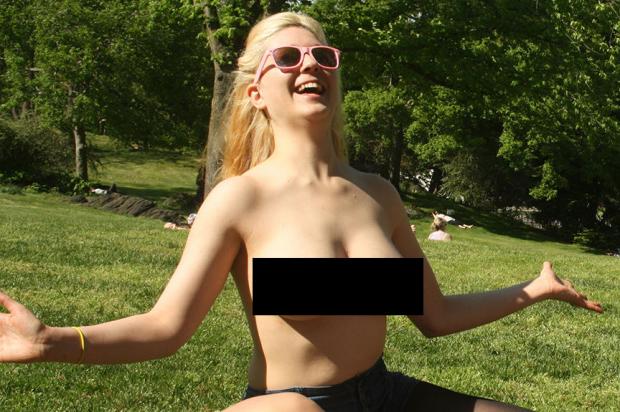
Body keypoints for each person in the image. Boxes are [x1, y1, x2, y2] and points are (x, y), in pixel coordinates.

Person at [0, 12, 603, 412]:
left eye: (322, 55)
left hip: (384, 395)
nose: (309, 64)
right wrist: (55, 341)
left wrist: (534, 289)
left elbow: (435, 316)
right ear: (257, 93)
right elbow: (167, 329)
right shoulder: (240, 199)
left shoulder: (379, 194)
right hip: (293, 403)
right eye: (287, 57)